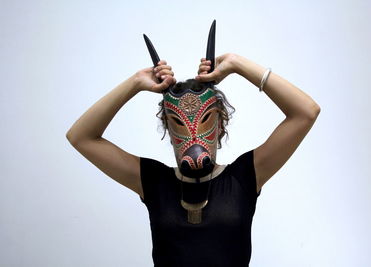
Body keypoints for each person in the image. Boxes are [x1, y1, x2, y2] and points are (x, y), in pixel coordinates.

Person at [66, 53, 320, 266]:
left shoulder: (244, 176)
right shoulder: (153, 180)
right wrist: (134, 83)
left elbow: (306, 112)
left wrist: (236, 64)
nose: (193, 136)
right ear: (168, 127)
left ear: (220, 125)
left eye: (206, 120)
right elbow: (81, 137)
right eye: (178, 123)